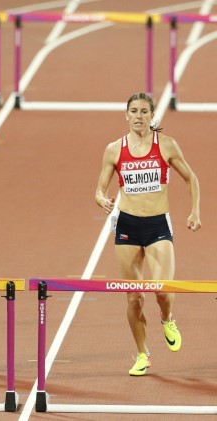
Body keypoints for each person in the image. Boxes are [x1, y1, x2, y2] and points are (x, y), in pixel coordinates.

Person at [95, 93, 200, 376]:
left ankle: (167, 318)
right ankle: (142, 354)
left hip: (157, 225)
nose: (139, 116)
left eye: (144, 111)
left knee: (162, 289)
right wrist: (101, 197)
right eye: (134, 111)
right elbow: (99, 188)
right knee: (133, 297)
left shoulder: (165, 145)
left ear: (151, 115)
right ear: (126, 115)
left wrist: (195, 211)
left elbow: (191, 178)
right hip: (127, 225)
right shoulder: (114, 149)